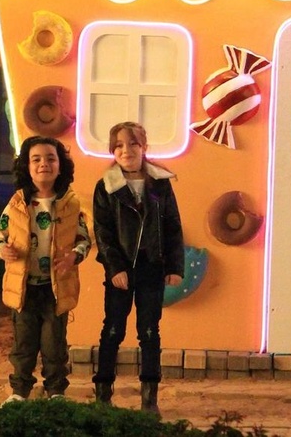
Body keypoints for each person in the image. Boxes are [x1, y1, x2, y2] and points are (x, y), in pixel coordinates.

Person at [92, 121, 184, 414]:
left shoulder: (160, 183)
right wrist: (114, 267)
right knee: (113, 329)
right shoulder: (106, 186)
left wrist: (174, 265)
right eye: (119, 145)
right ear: (112, 150)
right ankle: (103, 394)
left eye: (133, 144)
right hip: (121, 271)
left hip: (151, 267)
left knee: (149, 331)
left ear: (144, 147)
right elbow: (103, 232)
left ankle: (149, 397)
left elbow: (172, 226)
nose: (126, 150)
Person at [0, 135, 90, 404]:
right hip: (24, 289)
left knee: (54, 345)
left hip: (56, 290)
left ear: (60, 166)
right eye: (36, 159)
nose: (43, 164)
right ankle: (19, 391)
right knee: (23, 344)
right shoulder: (16, 204)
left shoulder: (71, 204)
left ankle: (56, 391)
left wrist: (74, 257)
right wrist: (2, 249)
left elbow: (84, 239)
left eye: (50, 158)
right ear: (26, 166)